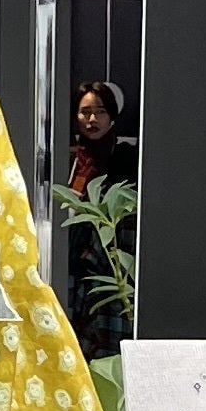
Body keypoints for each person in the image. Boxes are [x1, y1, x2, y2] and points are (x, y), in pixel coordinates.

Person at [61, 75, 134, 350]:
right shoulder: (65, 160)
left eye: (101, 111)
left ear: (112, 117)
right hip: (69, 266)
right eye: (85, 112)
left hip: (111, 270)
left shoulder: (126, 159)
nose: (92, 119)